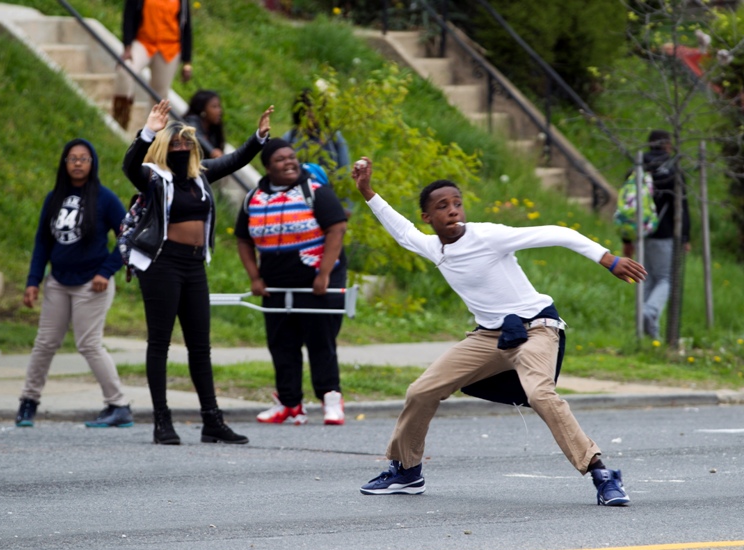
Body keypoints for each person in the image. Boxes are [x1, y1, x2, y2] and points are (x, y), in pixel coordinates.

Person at [352, 157, 647, 505]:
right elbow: (402, 231)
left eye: (457, 203)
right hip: (489, 337)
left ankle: (602, 474)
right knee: (421, 391)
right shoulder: (434, 248)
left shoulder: (488, 236)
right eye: (442, 206)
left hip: (537, 329)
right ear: (427, 217)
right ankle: (407, 471)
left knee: (540, 395)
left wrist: (608, 259)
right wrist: (367, 191)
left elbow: (559, 233)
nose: (452, 210)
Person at [121, 99, 273, 445]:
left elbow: (235, 160)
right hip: (162, 265)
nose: (181, 148)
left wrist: (259, 137)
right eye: (174, 143)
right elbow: (130, 165)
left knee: (200, 346)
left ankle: (212, 421)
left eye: (186, 143)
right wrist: (148, 132)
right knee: (160, 343)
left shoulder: (200, 176)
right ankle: (162, 422)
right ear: (163, 147)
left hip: (193, 265)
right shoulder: (154, 178)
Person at [16, 139, 131, 429]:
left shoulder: (105, 199)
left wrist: (106, 271)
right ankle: (28, 402)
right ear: (64, 163)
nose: (78, 163)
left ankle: (118, 405)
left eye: (84, 158)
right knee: (45, 343)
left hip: (92, 285)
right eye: (72, 158)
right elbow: (43, 242)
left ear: (92, 164)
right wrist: (33, 280)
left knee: (89, 344)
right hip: (57, 282)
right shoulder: (54, 198)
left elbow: (128, 237)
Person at [235, 138, 348, 426]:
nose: (289, 162)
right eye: (280, 159)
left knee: (320, 341)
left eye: (291, 157)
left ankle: (331, 399)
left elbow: (336, 229)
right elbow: (243, 240)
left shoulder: (315, 192)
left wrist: (324, 274)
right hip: (274, 285)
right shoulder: (254, 198)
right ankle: (289, 403)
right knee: (281, 344)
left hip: (315, 282)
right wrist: (255, 277)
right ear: (267, 167)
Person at [623, 130, 691, 340]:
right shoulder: (672, 170)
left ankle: (650, 334)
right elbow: (681, 207)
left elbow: (627, 205)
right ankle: (649, 311)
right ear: (667, 145)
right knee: (665, 278)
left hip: (640, 234)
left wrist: (627, 240)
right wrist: (685, 237)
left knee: (646, 277)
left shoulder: (637, 168)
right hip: (665, 233)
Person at [111, 0, 193, 130]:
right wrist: (127, 46)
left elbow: (186, 26)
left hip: (169, 48)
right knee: (125, 70)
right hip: (144, 42)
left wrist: (187, 62)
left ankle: (151, 133)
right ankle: (120, 121)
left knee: (159, 95)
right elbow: (129, 15)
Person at [184, 90, 225, 159]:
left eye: (219, 106)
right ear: (203, 109)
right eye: (214, 107)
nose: (219, 110)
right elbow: (195, 134)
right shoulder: (191, 121)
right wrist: (213, 151)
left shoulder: (213, 131)